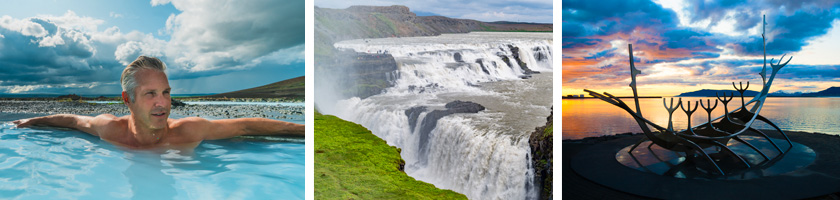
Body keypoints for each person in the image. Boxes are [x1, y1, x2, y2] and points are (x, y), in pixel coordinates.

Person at [13, 56, 304, 150]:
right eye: (151, 94)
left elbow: (246, 126)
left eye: (165, 92)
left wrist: (303, 130)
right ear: (127, 99)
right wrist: (28, 123)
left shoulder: (187, 131)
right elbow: (72, 120)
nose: (163, 103)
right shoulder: (110, 130)